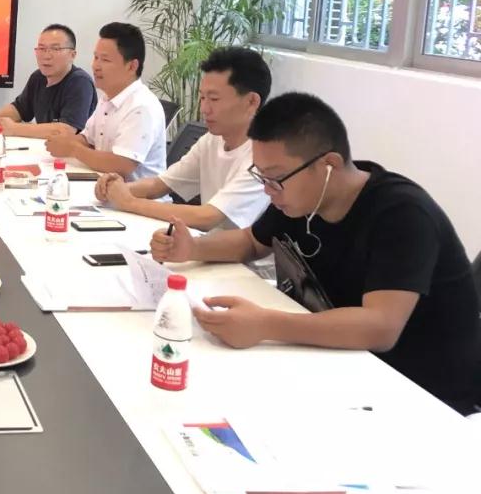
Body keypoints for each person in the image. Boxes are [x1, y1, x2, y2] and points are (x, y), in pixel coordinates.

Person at [151, 92, 481, 414]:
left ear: (328, 166)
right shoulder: (300, 197)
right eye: (261, 176)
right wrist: (193, 247)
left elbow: (380, 327)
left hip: (419, 391)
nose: (267, 190)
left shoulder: (403, 215)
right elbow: (252, 241)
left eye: (275, 178)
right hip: (338, 360)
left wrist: (266, 324)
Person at [96, 46, 271, 231]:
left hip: (234, 250)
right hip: (206, 244)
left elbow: (207, 217)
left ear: (251, 102)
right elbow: (159, 185)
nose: (204, 109)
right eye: (202, 98)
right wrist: (113, 189)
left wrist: (129, 202)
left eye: (214, 99)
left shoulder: (265, 157)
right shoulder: (211, 140)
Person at [45, 22, 166, 178]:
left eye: (105, 60)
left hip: (132, 192)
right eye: (96, 57)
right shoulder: (108, 97)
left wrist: (72, 149)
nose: (95, 66)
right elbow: (88, 139)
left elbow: (121, 165)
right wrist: (64, 141)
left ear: (132, 66)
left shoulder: (141, 107)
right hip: (102, 185)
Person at [0, 24, 97, 139]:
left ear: (72, 55)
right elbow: (18, 110)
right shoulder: (38, 77)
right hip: (46, 148)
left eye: (56, 49)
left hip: (74, 150)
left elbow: (66, 130)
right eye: (42, 49)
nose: (46, 56)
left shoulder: (80, 82)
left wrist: (14, 128)